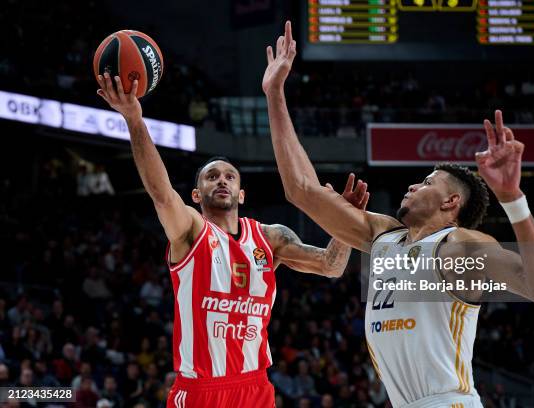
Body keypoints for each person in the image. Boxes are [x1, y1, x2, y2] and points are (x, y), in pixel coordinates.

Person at [263, 21, 534, 408]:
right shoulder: (384, 236)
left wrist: (513, 198)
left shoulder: (459, 246)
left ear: (451, 203)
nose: (413, 186)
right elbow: (301, 190)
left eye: (427, 182)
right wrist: (275, 94)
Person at [96, 72, 369, 407]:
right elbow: (162, 195)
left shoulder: (271, 237)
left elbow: (331, 266)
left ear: (241, 194)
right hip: (200, 389)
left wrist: (347, 222)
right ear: (197, 194)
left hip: (255, 386)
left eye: (229, 177)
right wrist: (135, 120)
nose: (222, 181)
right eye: (212, 176)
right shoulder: (190, 231)